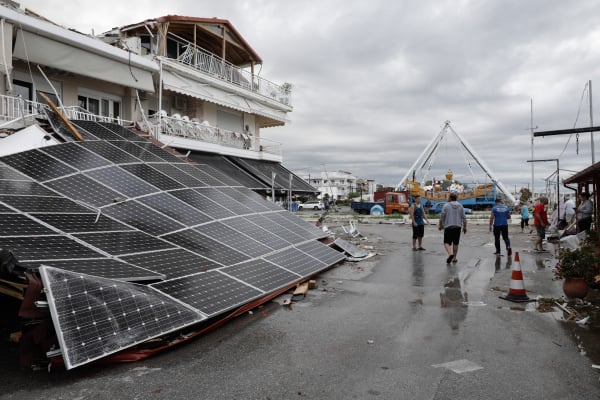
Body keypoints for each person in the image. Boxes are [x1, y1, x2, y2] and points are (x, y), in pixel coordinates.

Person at [438, 193, 467, 264]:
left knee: (446, 242)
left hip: (448, 227)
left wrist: (440, 225)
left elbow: (442, 217)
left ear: (450, 198)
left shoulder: (446, 205)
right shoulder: (460, 206)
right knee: (456, 243)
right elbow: (464, 218)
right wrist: (465, 227)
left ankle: (450, 253)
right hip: (457, 227)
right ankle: (454, 258)